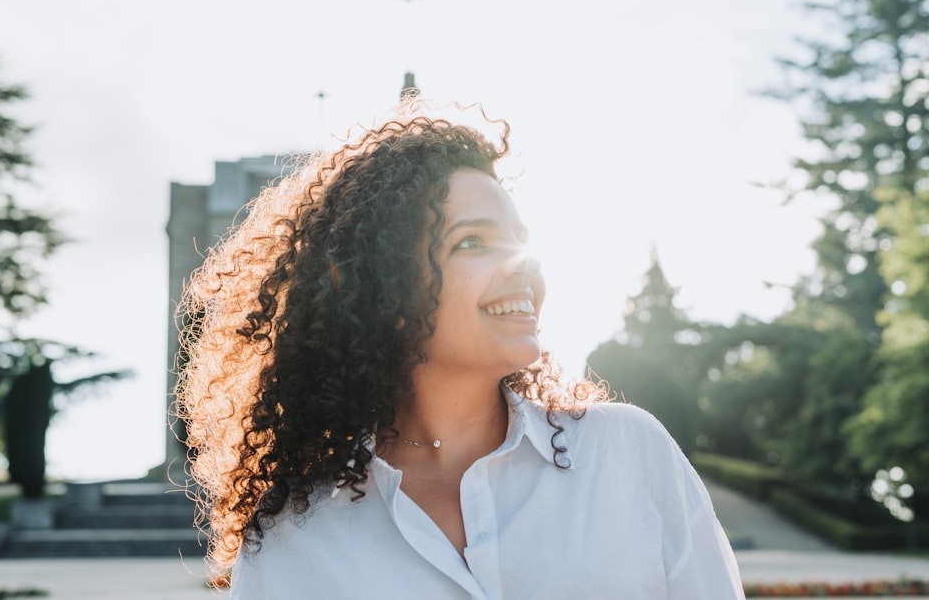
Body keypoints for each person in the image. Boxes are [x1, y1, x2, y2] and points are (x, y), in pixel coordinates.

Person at [175, 103, 745, 599]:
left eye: (520, 241)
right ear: (383, 287)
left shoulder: (628, 454)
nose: (523, 267)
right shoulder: (290, 536)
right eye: (472, 242)